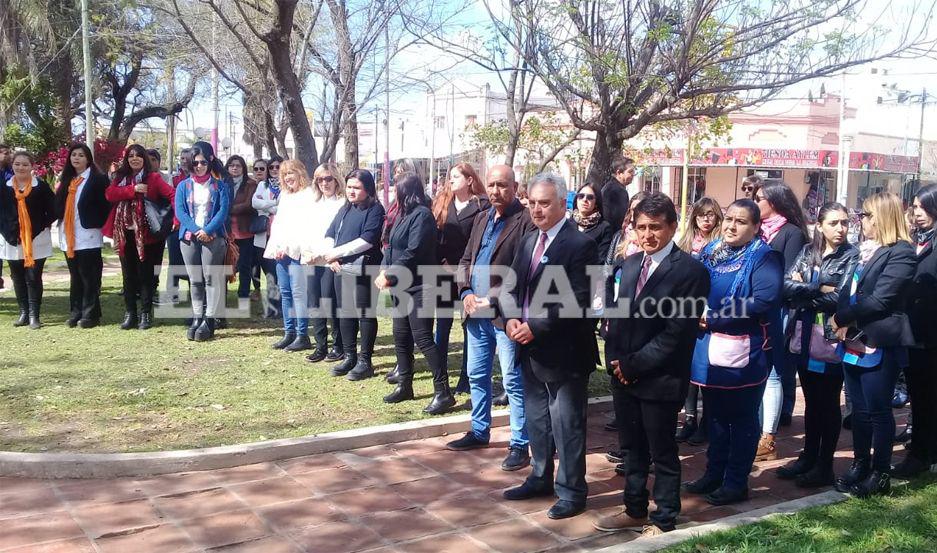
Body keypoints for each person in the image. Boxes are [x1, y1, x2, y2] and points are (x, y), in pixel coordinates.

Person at [593, 193, 709, 536]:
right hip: (623, 374)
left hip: (660, 378)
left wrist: (633, 365)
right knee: (632, 449)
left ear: (672, 227)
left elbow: (677, 334)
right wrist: (616, 362)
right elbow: (617, 317)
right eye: (641, 227)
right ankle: (634, 508)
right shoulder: (629, 265)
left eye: (655, 227)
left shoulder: (690, 271)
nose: (647, 235)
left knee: (662, 451)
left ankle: (665, 517)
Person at [501, 173, 599, 520]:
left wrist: (536, 327)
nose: (537, 210)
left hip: (565, 352)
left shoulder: (581, 245)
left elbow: (580, 299)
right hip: (528, 348)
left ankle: (572, 491)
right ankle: (540, 476)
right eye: (532, 202)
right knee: (537, 421)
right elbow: (510, 287)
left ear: (563, 204)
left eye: (545, 203)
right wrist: (511, 319)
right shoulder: (529, 241)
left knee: (567, 424)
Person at [683, 199, 783, 506]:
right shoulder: (711, 252)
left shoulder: (764, 257)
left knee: (741, 418)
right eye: (728, 219)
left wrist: (714, 316)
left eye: (740, 222)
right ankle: (714, 473)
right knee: (714, 416)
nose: (731, 226)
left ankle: (736, 482)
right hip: (709, 346)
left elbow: (762, 300)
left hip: (745, 350)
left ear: (755, 228)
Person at [445, 164, 534, 473]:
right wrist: (466, 290)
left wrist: (493, 297)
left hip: (505, 315)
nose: (496, 190)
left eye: (503, 185)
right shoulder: (482, 217)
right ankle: (479, 430)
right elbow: (466, 260)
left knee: (512, 379)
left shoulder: (525, 222)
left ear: (515, 186)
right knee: (476, 374)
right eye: (492, 184)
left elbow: (523, 271)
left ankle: (520, 443)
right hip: (475, 313)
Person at [830, 192, 916, 497]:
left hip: (880, 341)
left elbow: (882, 299)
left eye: (865, 215)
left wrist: (843, 317)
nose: (860, 221)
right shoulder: (863, 251)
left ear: (881, 216)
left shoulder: (902, 252)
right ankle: (860, 464)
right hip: (854, 341)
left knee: (879, 410)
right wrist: (842, 318)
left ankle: (881, 472)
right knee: (860, 410)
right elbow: (848, 288)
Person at [776, 202, 857, 488]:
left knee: (828, 403)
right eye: (834, 223)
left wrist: (805, 293)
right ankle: (808, 457)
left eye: (844, 222)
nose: (840, 228)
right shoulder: (809, 252)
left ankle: (824, 465)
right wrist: (816, 289)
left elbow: (841, 297)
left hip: (830, 339)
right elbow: (784, 286)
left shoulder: (851, 256)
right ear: (819, 225)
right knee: (811, 402)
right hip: (803, 335)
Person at [376, 174, 456, 414]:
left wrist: (390, 274)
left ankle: (443, 391)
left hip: (421, 285)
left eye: (397, 190)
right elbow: (391, 247)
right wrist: (385, 269)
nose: (393, 193)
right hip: (401, 285)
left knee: (423, 338)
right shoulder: (403, 215)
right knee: (400, 335)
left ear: (407, 192)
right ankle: (405, 385)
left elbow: (414, 251)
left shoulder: (422, 215)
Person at [752, 182, 809, 461]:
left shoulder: (791, 233)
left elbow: (788, 278)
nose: (755, 202)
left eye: (760, 198)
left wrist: (760, 291)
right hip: (753, 310)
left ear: (774, 202)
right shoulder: (756, 231)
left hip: (778, 311)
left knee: (774, 372)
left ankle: (768, 437)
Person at [429, 162, 488, 395]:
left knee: (469, 330)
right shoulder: (443, 203)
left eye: (456, 177)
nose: (450, 180)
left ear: (470, 179)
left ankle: (466, 377)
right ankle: (440, 375)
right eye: (449, 177)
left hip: (469, 275)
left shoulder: (482, 205)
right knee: (442, 328)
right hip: (444, 273)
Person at [322, 169, 386, 380]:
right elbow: (330, 232)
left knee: (365, 314)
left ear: (368, 189)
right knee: (345, 312)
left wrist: (335, 254)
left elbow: (368, 239)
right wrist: (332, 255)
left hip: (365, 268)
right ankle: (349, 355)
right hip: (341, 268)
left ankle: (365, 361)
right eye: (349, 186)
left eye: (357, 187)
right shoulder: (346, 208)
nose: (351, 191)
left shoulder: (375, 209)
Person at [104, 144, 175, 330]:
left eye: (138, 156)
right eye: (131, 156)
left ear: (144, 158)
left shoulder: (153, 178)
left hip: (148, 237)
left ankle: (145, 314)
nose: (134, 159)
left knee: (146, 276)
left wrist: (175, 219)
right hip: (125, 234)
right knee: (128, 276)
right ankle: (130, 314)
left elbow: (173, 195)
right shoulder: (120, 178)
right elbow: (110, 194)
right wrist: (132, 189)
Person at [893, 184, 937, 478]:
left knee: (927, 397)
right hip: (914, 332)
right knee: (920, 397)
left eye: (923, 207)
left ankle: (922, 454)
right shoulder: (917, 239)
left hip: (930, 334)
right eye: (915, 208)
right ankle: (922, 450)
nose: (917, 213)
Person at [674, 196, 723, 444]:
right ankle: (689, 418)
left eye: (710, 214)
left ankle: (707, 421)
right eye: (701, 214)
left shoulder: (720, 245)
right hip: (685, 309)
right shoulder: (685, 242)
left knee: (704, 369)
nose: (705, 219)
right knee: (688, 369)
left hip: (707, 311)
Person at [175, 144, 231, 342]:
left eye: (203, 162)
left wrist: (207, 231)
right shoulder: (183, 186)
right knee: (195, 279)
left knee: (211, 279)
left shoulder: (220, 186)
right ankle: (197, 317)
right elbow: (180, 211)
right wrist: (196, 230)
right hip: (189, 238)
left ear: (210, 162)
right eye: (195, 162)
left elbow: (223, 212)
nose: (199, 166)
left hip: (213, 237)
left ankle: (210, 319)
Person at [53, 143, 110, 328]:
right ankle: (75, 312)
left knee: (89, 277)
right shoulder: (67, 180)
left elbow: (105, 205)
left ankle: (90, 314)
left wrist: (98, 223)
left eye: (81, 155)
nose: (76, 158)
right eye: (74, 155)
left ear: (88, 159)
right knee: (75, 276)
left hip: (88, 234)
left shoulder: (97, 179)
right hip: (67, 235)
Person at [264, 159, 317, 352]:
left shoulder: (309, 195)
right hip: (281, 252)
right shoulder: (285, 196)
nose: (287, 178)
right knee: (285, 292)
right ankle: (290, 332)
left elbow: (304, 226)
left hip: (298, 251)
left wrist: (286, 247)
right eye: (284, 175)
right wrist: (277, 246)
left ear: (300, 173)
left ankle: (303, 335)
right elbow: (279, 225)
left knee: (298, 292)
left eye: (291, 173)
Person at [0, 151, 55, 329]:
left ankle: (34, 315)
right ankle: (23, 312)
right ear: (12, 165)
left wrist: (41, 226)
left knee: (33, 277)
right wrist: (6, 230)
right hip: (11, 239)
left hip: (36, 239)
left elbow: (54, 209)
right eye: (17, 164)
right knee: (17, 277)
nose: (21, 167)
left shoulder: (41, 186)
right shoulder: (4, 186)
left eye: (25, 164)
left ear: (32, 166)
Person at [302, 163, 346, 363]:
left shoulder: (343, 203)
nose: (324, 183)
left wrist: (327, 254)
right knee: (314, 303)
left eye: (328, 178)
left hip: (330, 259)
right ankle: (320, 345)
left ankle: (338, 345)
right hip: (312, 259)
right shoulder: (313, 203)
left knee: (331, 303)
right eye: (320, 179)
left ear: (336, 179)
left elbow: (340, 235)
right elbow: (306, 230)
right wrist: (307, 250)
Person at [225, 155, 258, 301]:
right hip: (226, 232)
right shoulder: (223, 183)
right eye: (231, 165)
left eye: (238, 165)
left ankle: (243, 294)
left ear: (243, 168)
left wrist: (226, 209)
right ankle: (222, 293)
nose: (234, 168)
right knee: (225, 264)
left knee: (245, 266)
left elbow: (248, 204)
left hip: (245, 231)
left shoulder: (251, 184)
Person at [252, 155, 282, 319]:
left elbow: (286, 208)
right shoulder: (262, 185)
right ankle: (271, 307)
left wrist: (268, 206)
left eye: (278, 167)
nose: (274, 170)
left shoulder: (288, 185)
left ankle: (281, 307)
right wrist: (274, 205)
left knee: (281, 273)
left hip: (282, 236)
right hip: (264, 235)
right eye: (272, 167)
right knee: (269, 273)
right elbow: (255, 203)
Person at [165, 148, 192, 304]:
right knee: (174, 259)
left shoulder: (198, 177)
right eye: (181, 157)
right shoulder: (174, 178)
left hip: (192, 225)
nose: (184, 160)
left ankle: (193, 291)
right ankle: (172, 293)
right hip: (175, 225)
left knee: (192, 260)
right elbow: (170, 201)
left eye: (187, 158)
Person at [572, 182, 613, 257]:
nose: (585, 200)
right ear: (576, 200)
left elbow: (601, 261)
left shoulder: (604, 227)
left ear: (596, 203)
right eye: (581, 196)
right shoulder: (566, 224)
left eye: (590, 197)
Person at [601, 157, 634, 233]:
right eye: (630, 172)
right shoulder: (617, 191)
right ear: (619, 173)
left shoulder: (609, 187)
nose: (633, 175)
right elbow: (620, 219)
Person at [0, 143, 12, 290]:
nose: (7, 155)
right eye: (4, 153)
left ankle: (17, 277)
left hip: (9, 216)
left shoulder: (12, 171)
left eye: (8, 153)